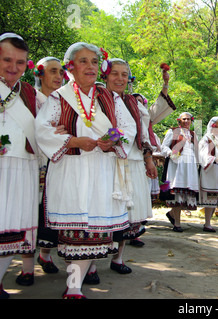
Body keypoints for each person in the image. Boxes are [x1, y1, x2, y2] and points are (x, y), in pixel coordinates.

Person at [35, 42, 137, 299]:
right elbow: (42, 129)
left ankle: (73, 287)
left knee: (93, 232)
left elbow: (127, 127)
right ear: (71, 67)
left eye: (94, 61)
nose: (90, 66)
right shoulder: (60, 97)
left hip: (102, 170)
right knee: (75, 232)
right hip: (71, 170)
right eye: (83, 61)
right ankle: (73, 286)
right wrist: (73, 141)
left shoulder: (110, 97)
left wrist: (112, 139)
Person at [15, 57, 67, 287]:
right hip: (32, 161)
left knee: (50, 212)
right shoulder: (28, 98)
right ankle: (27, 269)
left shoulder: (65, 100)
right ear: (40, 74)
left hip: (58, 163)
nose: (58, 76)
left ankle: (45, 255)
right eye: (52, 71)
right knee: (30, 212)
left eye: (61, 72)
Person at [103, 58, 157, 274]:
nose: (120, 78)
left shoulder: (133, 102)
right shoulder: (98, 99)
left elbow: (142, 132)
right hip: (109, 160)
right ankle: (89, 265)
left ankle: (118, 258)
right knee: (107, 208)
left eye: (124, 74)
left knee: (127, 213)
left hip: (133, 160)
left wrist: (148, 158)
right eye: (115, 73)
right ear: (105, 75)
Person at [0, 32, 41, 299]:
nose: (13, 68)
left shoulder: (32, 95)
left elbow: (49, 128)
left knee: (12, 229)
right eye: (6, 60)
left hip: (23, 168)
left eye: (20, 62)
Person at [161, 112, 199, 232]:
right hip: (176, 166)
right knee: (177, 194)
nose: (186, 121)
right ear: (179, 120)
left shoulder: (193, 134)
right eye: (184, 119)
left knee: (186, 194)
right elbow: (163, 147)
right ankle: (177, 223)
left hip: (190, 166)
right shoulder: (173, 131)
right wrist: (171, 154)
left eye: (189, 119)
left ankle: (172, 214)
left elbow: (197, 152)